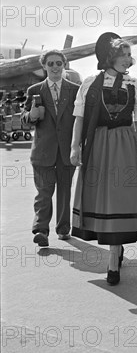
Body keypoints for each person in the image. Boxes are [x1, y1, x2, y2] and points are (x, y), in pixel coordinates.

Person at [70, 33, 137, 285]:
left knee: (120, 199)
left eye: (129, 55)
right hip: (99, 144)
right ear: (111, 56)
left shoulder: (135, 84)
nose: (128, 59)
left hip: (125, 144)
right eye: (123, 54)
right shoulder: (91, 82)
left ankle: (114, 258)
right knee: (104, 198)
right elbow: (79, 118)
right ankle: (114, 247)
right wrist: (75, 148)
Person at [21, 49, 79, 247]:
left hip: (66, 151)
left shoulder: (75, 90)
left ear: (64, 65)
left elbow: (81, 120)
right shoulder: (34, 90)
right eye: (51, 63)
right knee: (44, 193)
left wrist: (79, 146)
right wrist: (32, 115)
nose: (55, 67)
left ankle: (63, 229)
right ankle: (41, 230)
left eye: (58, 63)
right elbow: (24, 119)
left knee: (64, 191)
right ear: (44, 66)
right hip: (43, 152)